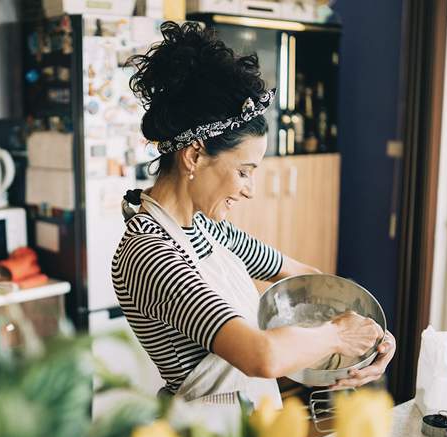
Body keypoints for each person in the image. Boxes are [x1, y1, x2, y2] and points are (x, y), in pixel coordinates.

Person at [112, 21, 396, 410]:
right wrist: (336, 335)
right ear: (194, 156)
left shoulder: (211, 230)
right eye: (243, 171)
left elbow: (307, 280)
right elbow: (260, 355)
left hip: (250, 429)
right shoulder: (148, 254)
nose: (250, 189)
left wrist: (372, 335)